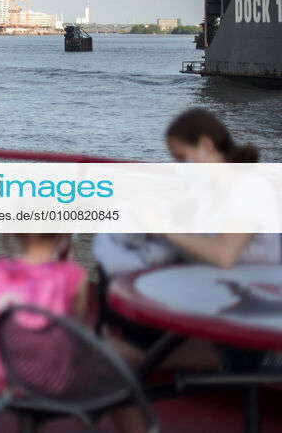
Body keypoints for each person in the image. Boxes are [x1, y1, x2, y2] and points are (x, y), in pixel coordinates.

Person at [100, 108, 281, 433]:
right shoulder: (225, 191)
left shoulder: (248, 191)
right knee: (113, 336)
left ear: (206, 145)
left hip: (250, 338)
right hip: (230, 315)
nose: (180, 170)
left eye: (182, 158)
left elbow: (225, 255)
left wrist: (165, 228)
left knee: (109, 359)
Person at [0, 234, 87, 393]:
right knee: (124, 360)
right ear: (65, 236)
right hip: (51, 381)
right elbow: (78, 329)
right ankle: (86, 417)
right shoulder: (73, 275)